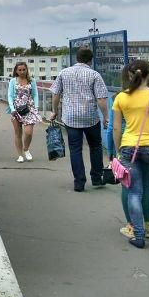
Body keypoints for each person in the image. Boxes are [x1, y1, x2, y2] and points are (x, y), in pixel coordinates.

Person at [112, 60, 149, 248]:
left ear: (130, 75)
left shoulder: (121, 97)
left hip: (129, 148)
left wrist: (118, 149)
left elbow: (116, 128)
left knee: (134, 192)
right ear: (148, 74)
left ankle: (138, 236)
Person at [50, 47, 109, 192]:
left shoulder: (64, 73)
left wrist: (54, 111)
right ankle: (96, 178)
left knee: (75, 149)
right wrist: (106, 116)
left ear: (77, 58)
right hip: (90, 117)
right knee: (95, 147)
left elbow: (56, 94)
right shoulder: (94, 74)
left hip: (70, 117)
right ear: (90, 60)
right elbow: (101, 99)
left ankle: (79, 182)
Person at [8, 62, 41, 163]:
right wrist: (12, 109)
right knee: (18, 133)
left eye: (24, 69)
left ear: (27, 70)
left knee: (28, 132)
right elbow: (10, 96)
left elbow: (35, 94)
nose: (22, 72)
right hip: (16, 109)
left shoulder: (31, 81)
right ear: (16, 71)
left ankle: (26, 149)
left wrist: (36, 106)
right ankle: (20, 155)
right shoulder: (13, 81)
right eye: (20, 70)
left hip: (29, 109)